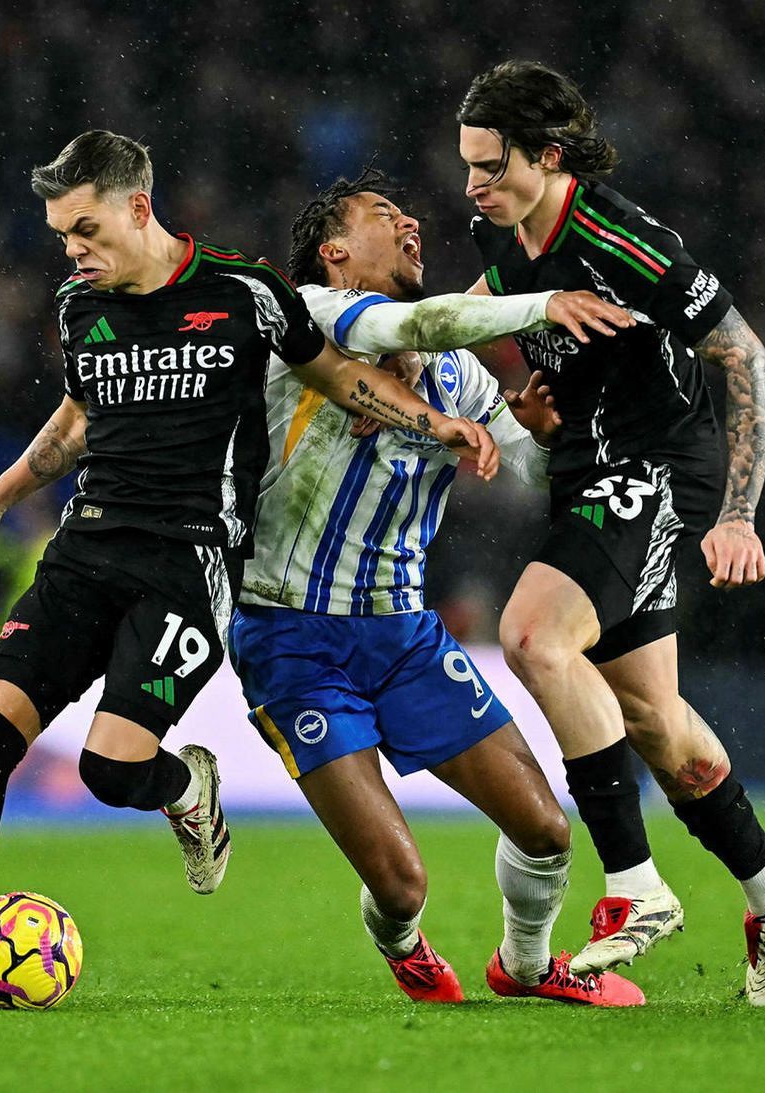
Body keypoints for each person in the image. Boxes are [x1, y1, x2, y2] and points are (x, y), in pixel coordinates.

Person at [0, 130, 497, 1007]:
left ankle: (185, 782)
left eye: (85, 228)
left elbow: (333, 372)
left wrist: (425, 420)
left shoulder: (244, 292)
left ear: (139, 208)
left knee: (108, 770)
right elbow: (74, 422)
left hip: (188, 562)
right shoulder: (78, 307)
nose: (72, 251)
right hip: (85, 549)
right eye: (62, 234)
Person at [230, 167, 644, 1007]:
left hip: (404, 636)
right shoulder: (309, 319)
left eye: (413, 216)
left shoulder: (453, 376)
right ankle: (404, 941)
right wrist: (542, 303)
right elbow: (418, 319)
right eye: (386, 216)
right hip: (291, 637)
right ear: (333, 252)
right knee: (403, 884)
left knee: (545, 828)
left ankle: (525, 965)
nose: (412, 224)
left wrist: (533, 435)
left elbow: (523, 472)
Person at [457, 61, 765, 1006]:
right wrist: (529, 414)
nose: (472, 187)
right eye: (466, 167)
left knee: (534, 638)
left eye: (489, 167)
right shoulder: (512, 253)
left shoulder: (621, 236)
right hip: (589, 469)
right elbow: (496, 340)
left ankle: (634, 885)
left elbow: (747, 356)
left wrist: (737, 509)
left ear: (546, 156)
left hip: (657, 469)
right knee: (655, 718)